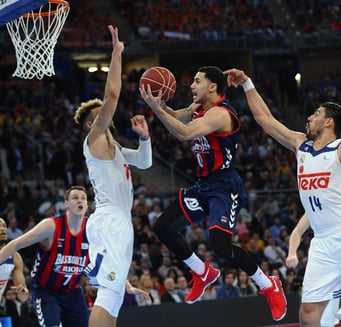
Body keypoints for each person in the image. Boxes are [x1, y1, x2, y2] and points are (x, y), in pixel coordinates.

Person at [224, 68, 341, 327]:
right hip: (323, 244)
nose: (309, 118)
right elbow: (264, 120)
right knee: (308, 316)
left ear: (328, 122)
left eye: (315, 115)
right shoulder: (300, 144)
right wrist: (247, 83)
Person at [140, 65, 287, 321]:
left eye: (197, 82)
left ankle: (268, 284)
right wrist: (156, 102)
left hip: (224, 187)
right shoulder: (198, 109)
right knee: (162, 226)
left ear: (213, 87)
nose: (192, 86)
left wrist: (155, 109)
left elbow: (183, 133)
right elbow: (176, 115)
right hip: (203, 185)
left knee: (220, 245)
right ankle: (202, 272)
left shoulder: (220, 114)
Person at [73, 25, 152, 327]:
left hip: (120, 222)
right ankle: (97, 268)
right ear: (93, 124)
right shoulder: (94, 140)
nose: (107, 115)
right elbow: (113, 94)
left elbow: (144, 162)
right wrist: (117, 55)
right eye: (100, 115)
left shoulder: (115, 150)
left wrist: (144, 137)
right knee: (107, 293)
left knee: (114, 298)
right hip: (108, 220)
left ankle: (104, 274)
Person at [0, 186, 89, 327]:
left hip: (73, 292)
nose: (80, 201)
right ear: (66, 203)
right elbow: (16, 244)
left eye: (83, 198)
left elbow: (108, 258)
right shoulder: (51, 226)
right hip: (46, 292)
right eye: (75, 197)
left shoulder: (93, 229)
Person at [286, 194, 341, 327]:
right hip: (325, 260)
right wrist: (292, 253)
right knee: (324, 319)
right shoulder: (317, 202)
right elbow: (297, 231)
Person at [0, 218, 29, 327]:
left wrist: (23, 292)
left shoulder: (14, 257)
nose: (3, 229)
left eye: (4, 226)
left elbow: (23, 297)